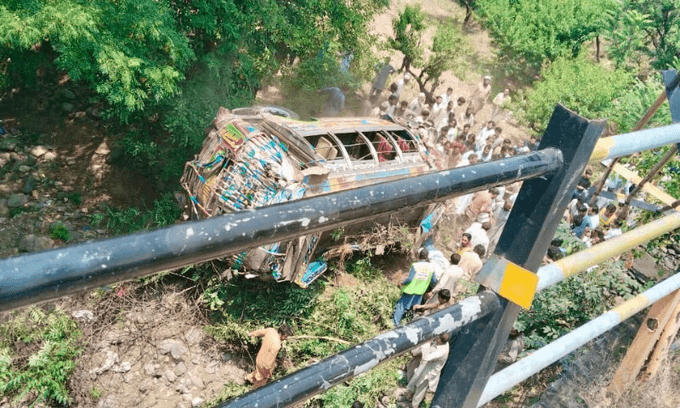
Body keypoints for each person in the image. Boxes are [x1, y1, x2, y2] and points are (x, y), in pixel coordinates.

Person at [392, 248, 438, 327]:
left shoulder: (415, 265)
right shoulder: (431, 267)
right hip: (420, 292)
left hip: (410, 290)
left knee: (401, 306)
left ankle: (395, 324)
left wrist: (402, 282)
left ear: (418, 255)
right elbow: (434, 281)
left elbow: (410, 279)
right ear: (427, 257)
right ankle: (407, 324)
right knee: (413, 308)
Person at [404, 333, 450, 408]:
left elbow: (426, 357)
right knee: (415, 379)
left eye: (436, 337)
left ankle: (413, 405)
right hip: (427, 365)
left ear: (439, 340)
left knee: (420, 389)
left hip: (429, 372)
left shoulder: (441, 351)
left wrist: (426, 344)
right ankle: (409, 393)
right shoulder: (442, 342)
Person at [246, 324, 293, 388]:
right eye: (285, 336)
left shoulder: (271, 331)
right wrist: (268, 373)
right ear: (281, 334)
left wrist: (250, 334)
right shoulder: (277, 345)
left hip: (259, 358)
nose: (286, 338)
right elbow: (269, 361)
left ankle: (248, 378)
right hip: (264, 365)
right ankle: (253, 390)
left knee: (258, 372)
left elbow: (259, 332)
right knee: (261, 381)